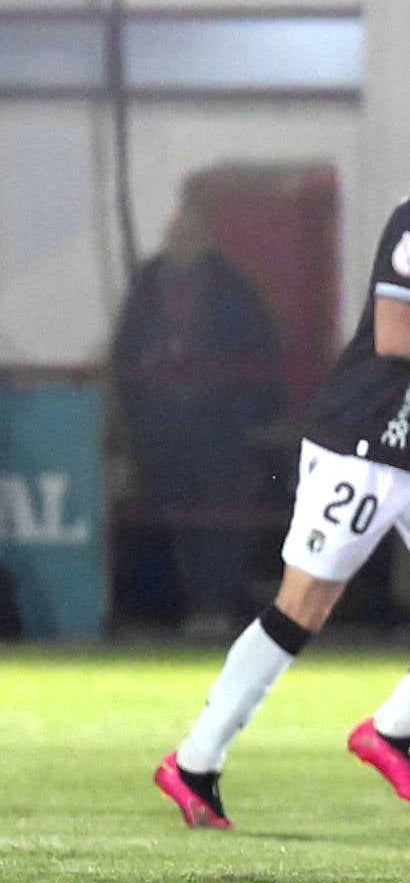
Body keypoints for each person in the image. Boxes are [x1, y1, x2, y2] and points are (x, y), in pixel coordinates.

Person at [153, 62, 410, 830]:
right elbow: (394, 333)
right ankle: (195, 760)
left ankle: (391, 728)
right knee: (302, 607)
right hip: (363, 441)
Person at [112, 202, 281, 632]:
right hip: (161, 425)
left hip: (217, 426)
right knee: (172, 517)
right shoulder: (148, 285)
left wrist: (240, 413)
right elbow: (126, 347)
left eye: (189, 234)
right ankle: (176, 606)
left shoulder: (233, 289)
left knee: (218, 517)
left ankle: (217, 605)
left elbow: (258, 353)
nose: (180, 243)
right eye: (175, 234)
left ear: (206, 239)